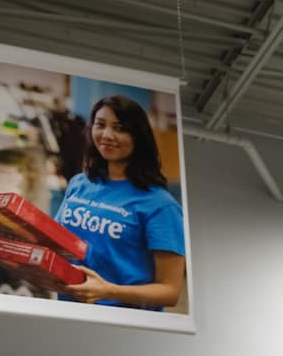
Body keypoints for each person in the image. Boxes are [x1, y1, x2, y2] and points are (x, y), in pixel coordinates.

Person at [55, 95, 186, 309]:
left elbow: (170, 292)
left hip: (123, 324)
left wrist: (107, 291)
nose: (107, 135)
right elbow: (57, 240)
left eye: (120, 128)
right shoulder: (80, 183)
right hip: (69, 310)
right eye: (101, 125)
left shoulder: (161, 206)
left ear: (138, 137)